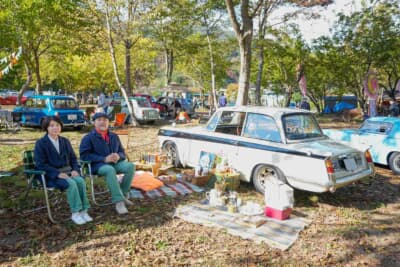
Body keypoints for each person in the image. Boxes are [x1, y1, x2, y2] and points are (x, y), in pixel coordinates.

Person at [34, 116, 92, 225]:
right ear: (46, 128)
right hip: (50, 175)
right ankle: (75, 212)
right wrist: (57, 174)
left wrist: (75, 170)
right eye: (51, 126)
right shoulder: (41, 143)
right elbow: (40, 164)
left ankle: (84, 210)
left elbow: (73, 159)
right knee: (71, 183)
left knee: (80, 180)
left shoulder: (65, 141)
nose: (55, 128)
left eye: (57, 125)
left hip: (68, 171)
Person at [79, 112, 135, 215]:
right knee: (109, 170)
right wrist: (104, 159)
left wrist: (119, 156)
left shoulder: (114, 136)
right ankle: (119, 202)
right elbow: (84, 156)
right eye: (99, 120)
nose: (102, 122)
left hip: (115, 163)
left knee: (130, 166)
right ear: (94, 123)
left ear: (108, 122)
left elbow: (122, 152)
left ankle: (122, 195)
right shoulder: (88, 138)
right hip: (97, 165)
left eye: (105, 120)